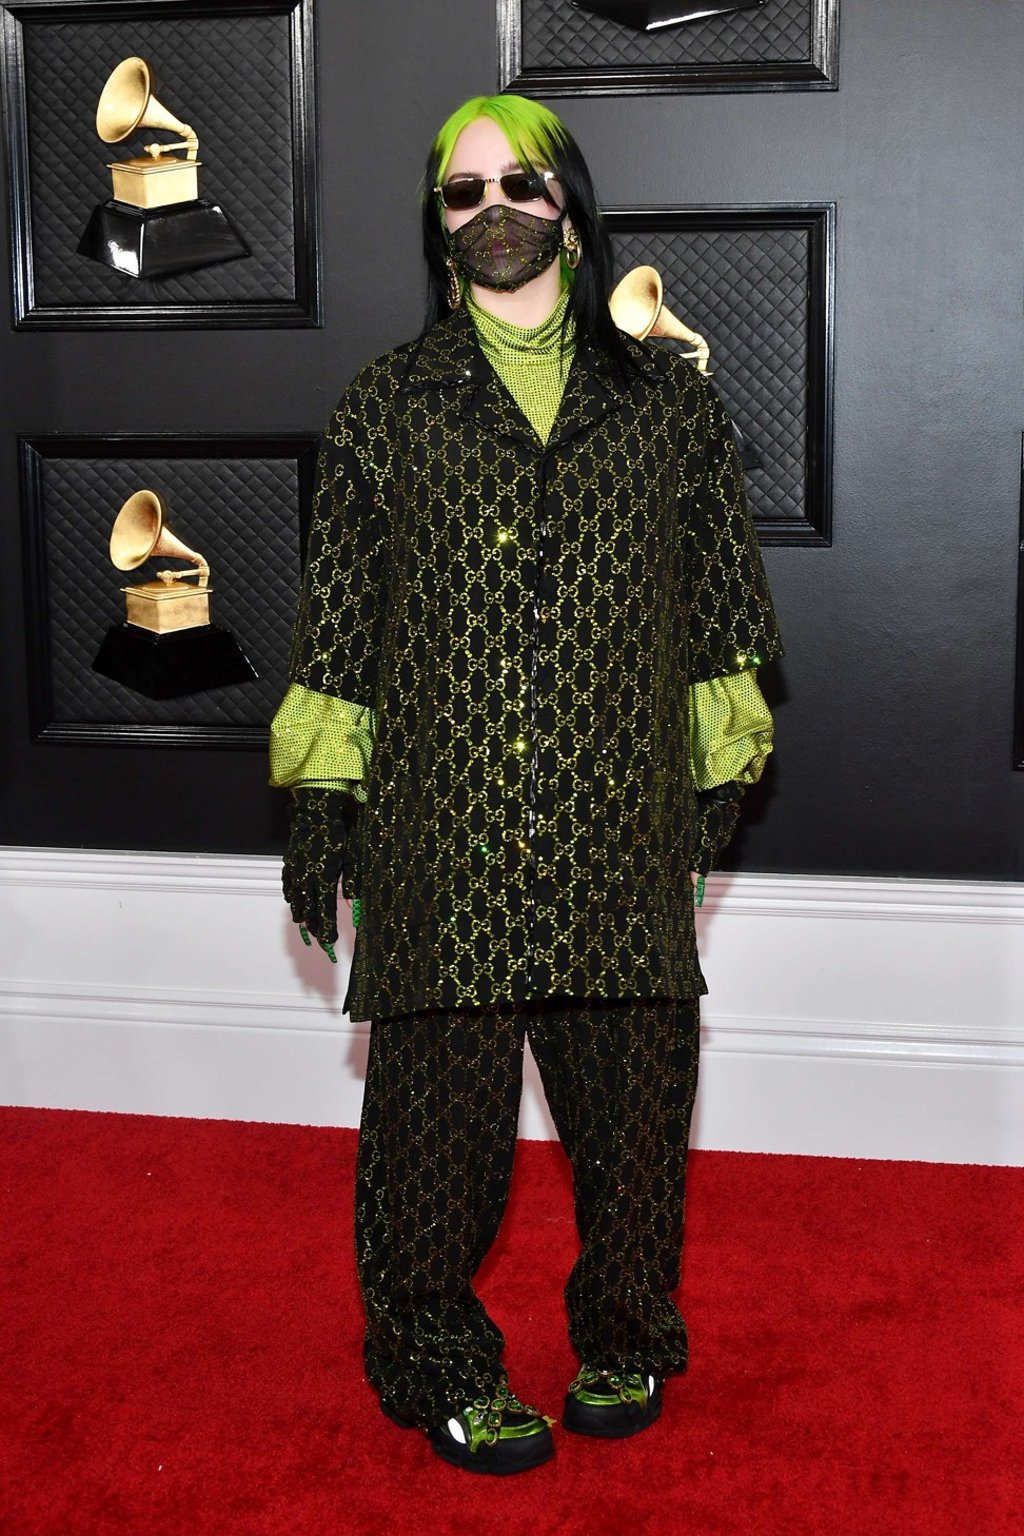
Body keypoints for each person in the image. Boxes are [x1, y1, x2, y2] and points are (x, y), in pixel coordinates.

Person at [269, 93, 782, 1476]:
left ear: (570, 202)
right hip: (444, 832)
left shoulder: (668, 402)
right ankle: (433, 1355)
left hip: (620, 819)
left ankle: (626, 1327)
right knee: (434, 1139)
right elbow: (341, 628)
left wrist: (708, 795)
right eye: (463, 190)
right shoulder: (386, 404)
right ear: (440, 226)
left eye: (523, 181)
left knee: (633, 1112)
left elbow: (724, 610)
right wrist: (324, 815)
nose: (494, 205)